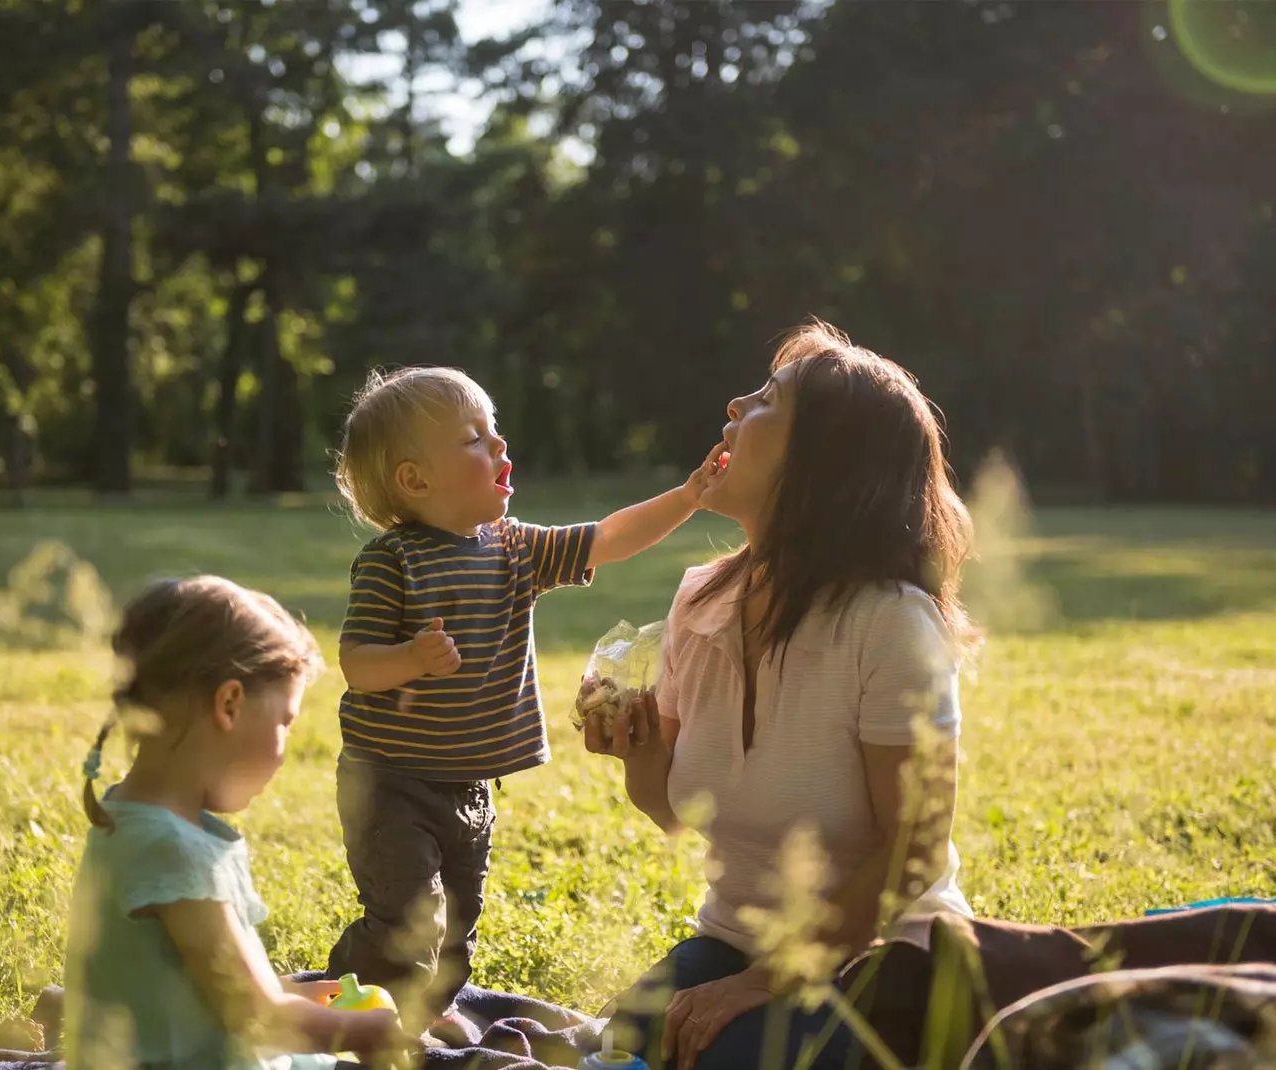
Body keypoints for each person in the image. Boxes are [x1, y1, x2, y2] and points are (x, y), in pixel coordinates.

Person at [585, 322, 978, 1070]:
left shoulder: (891, 622)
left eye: (766, 400)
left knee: (721, 1057)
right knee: (617, 1048)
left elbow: (913, 853)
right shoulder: (699, 601)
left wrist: (760, 986)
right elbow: (675, 810)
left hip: (882, 956)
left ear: (819, 463)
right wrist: (638, 756)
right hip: (736, 939)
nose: (734, 405)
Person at [325, 366, 726, 1025]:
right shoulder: (390, 561)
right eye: (474, 439)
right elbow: (355, 664)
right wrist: (409, 658)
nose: (500, 448)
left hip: (469, 787)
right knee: (409, 927)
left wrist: (689, 496)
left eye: (496, 431)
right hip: (389, 784)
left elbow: (608, 536)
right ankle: (347, 1001)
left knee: (454, 939)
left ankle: (423, 1018)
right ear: (415, 479)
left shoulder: (515, 549)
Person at [63, 575, 409, 1070]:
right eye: (284, 723)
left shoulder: (128, 816)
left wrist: (303, 997)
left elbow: (201, 990)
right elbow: (258, 1018)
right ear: (229, 704)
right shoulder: (172, 849)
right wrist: (365, 1030)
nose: (286, 750)